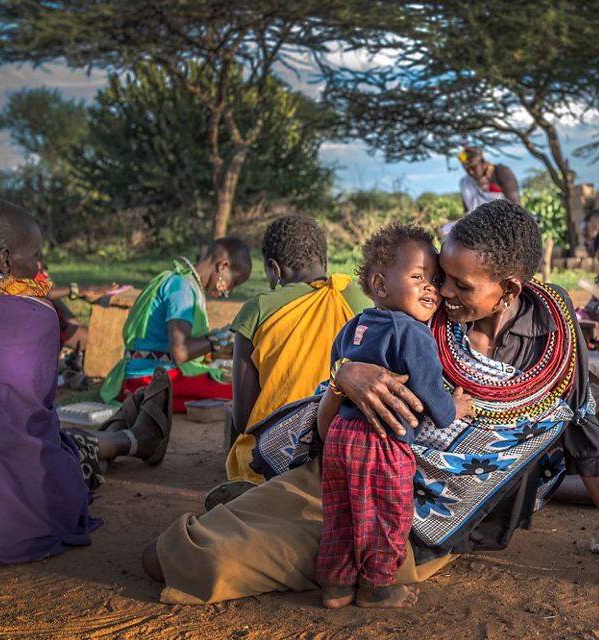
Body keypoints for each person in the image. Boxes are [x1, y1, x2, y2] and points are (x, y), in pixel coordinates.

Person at [142, 200, 599, 605]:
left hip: (424, 520)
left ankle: (247, 518)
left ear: (511, 289)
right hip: (350, 466)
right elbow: (341, 389)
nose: (442, 293)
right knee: (278, 522)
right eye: (440, 277)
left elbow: (586, 433)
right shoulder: (420, 312)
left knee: (196, 560)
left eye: (460, 285)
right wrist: (346, 376)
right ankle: (265, 501)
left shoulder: (556, 334)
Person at [0, 199, 172, 569]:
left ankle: (128, 436)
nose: (39, 269)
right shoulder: (33, 314)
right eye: (35, 257)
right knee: (53, 452)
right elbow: (32, 421)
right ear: (5, 260)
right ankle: (131, 440)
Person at [316, 225, 472, 609]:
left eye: (434, 280)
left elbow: (337, 369)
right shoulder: (415, 334)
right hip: (383, 442)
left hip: (340, 436)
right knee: (386, 515)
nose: (431, 289)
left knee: (342, 512)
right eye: (418, 277)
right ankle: (378, 586)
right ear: (381, 285)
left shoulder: (354, 326)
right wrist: (458, 406)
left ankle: (336, 586)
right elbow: (433, 402)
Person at [225, 214, 370, 485]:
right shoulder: (360, 300)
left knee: (245, 454)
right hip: (344, 451)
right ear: (325, 262)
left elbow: (244, 418)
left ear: (274, 268)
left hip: (271, 457)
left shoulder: (257, 309)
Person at [100, 238, 252, 412]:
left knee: (234, 387)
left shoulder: (183, 283)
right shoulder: (183, 288)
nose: (230, 291)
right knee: (242, 394)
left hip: (146, 377)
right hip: (149, 381)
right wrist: (221, 340)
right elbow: (180, 352)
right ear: (223, 266)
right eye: (235, 282)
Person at [459, 146, 521, 215]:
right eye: (467, 169)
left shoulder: (501, 173)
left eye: (473, 167)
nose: (471, 172)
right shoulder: (464, 182)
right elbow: (467, 211)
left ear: (482, 160)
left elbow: (516, 208)